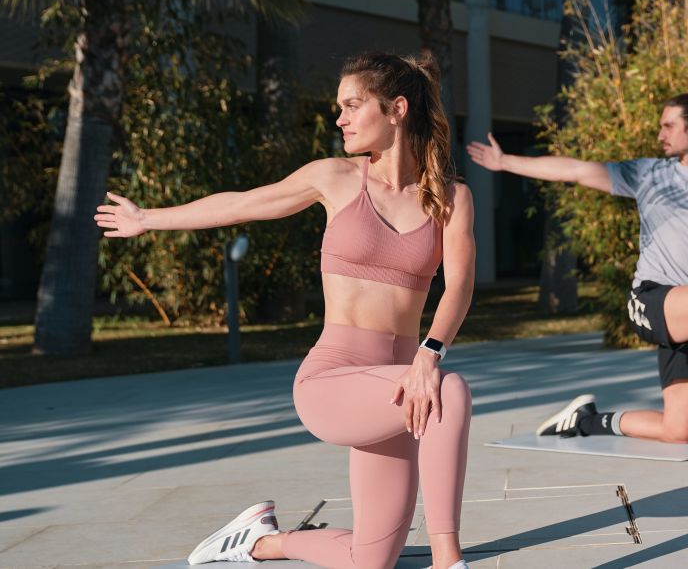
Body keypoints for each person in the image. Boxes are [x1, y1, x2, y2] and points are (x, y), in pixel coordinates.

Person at [95, 52, 478, 567]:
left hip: (401, 384)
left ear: (397, 109)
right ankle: (450, 560)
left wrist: (429, 352)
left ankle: (256, 541)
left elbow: (459, 287)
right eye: (338, 107)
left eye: (351, 105)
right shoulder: (336, 178)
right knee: (448, 393)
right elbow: (244, 203)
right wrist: (147, 218)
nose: (338, 118)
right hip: (335, 379)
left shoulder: (451, 198)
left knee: (374, 558)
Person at [467, 93, 688, 469]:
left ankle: (585, 420)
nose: (660, 133)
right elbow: (576, 170)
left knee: (678, 430)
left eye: (668, 125)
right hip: (650, 300)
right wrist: (505, 162)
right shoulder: (647, 172)